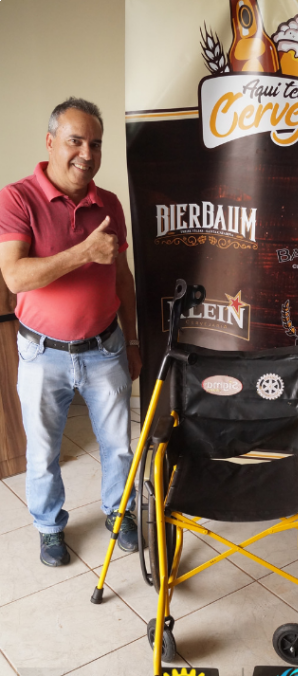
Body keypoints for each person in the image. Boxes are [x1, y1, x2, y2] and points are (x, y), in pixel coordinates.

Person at [0, 97, 142, 567]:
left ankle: (120, 512)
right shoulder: (17, 198)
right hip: (43, 354)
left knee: (118, 446)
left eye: (95, 144)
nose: (87, 153)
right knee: (43, 452)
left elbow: (123, 277)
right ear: (50, 142)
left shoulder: (109, 203)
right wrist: (83, 252)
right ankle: (48, 527)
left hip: (106, 348)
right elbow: (15, 277)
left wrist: (133, 340)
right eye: (75, 141)